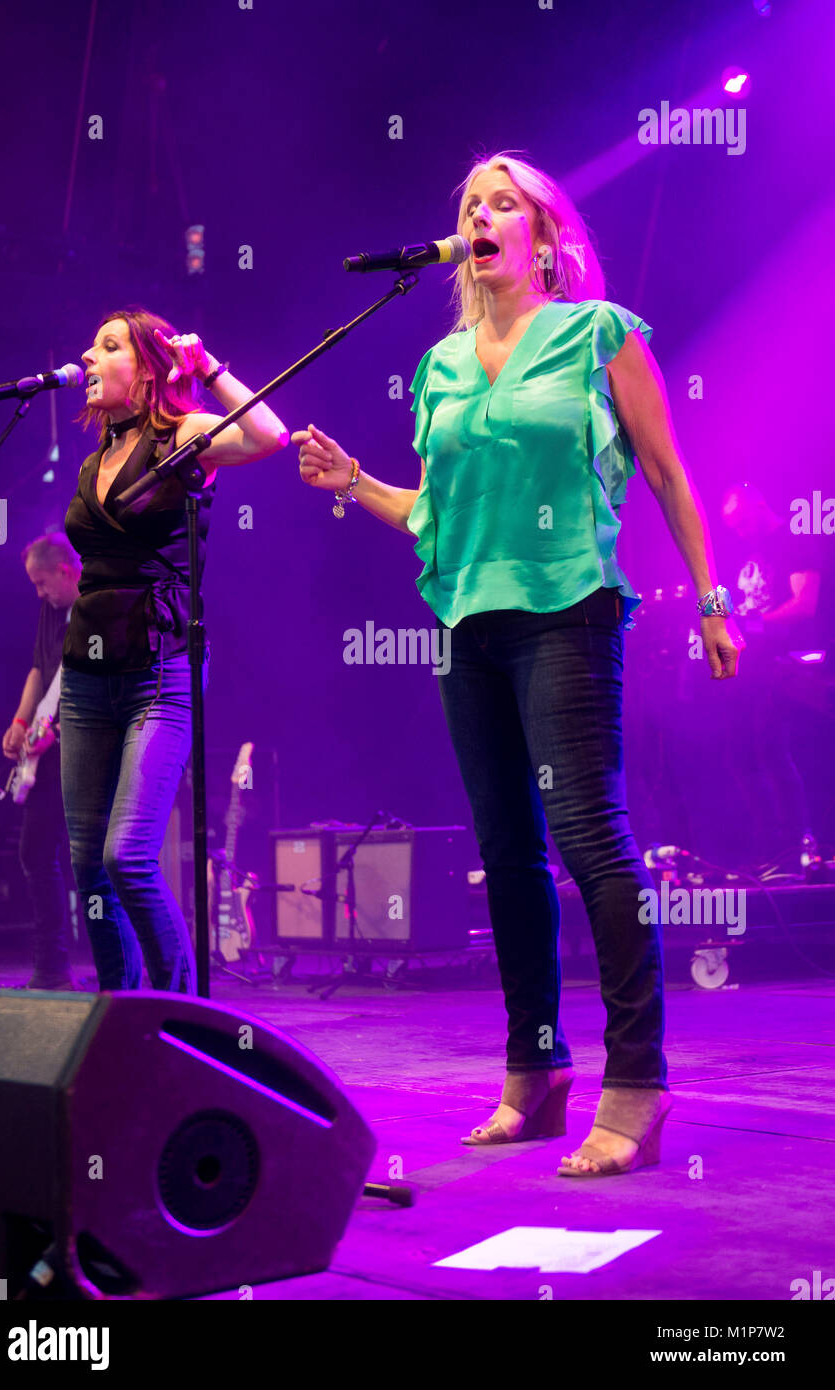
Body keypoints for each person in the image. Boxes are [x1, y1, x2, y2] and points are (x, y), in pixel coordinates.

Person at [293, 153, 743, 1177]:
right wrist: (354, 480)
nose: (480, 216)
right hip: (467, 619)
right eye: (466, 206)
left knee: (589, 840)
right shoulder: (444, 363)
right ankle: (534, 1071)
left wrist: (711, 600)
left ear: (542, 234)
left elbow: (669, 472)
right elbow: (433, 514)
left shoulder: (600, 333)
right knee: (505, 853)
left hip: (566, 610)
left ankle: (638, 1080)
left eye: (500, 202)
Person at [60, 306, 288, 993]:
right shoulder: (96, 457)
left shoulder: (181, 437)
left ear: (149, 366)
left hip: (159, 669)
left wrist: (209, 366)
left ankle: (181, 1014)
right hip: (86, 674)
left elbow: (268, 436)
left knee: (127, 856)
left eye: (107, 347)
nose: (89, 359)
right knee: (85, 864)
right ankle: (119, 1015)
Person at [720, 481, 822, 866]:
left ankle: (794, 843)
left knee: (772, 750)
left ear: (760, 507)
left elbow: (805, 604)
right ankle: (767, 846)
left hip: (783, 666)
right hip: (747, 668)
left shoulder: (794, 542)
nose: (740, 532)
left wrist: (754, 625)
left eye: (743, 522)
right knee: (742, 754)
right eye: (734, 526)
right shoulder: (741, 550)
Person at [1, 532, 80, 989]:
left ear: (67, 571)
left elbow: (96, 681)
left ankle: (124, 974)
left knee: (97, 863)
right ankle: (51, 968)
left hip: (85, 750)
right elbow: (39, 669)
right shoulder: (51, 611)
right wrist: (20, 720)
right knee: (35, 850)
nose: (38, 592)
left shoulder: (96, 609)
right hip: (46, 756)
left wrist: (62, 730)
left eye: (42, 582)